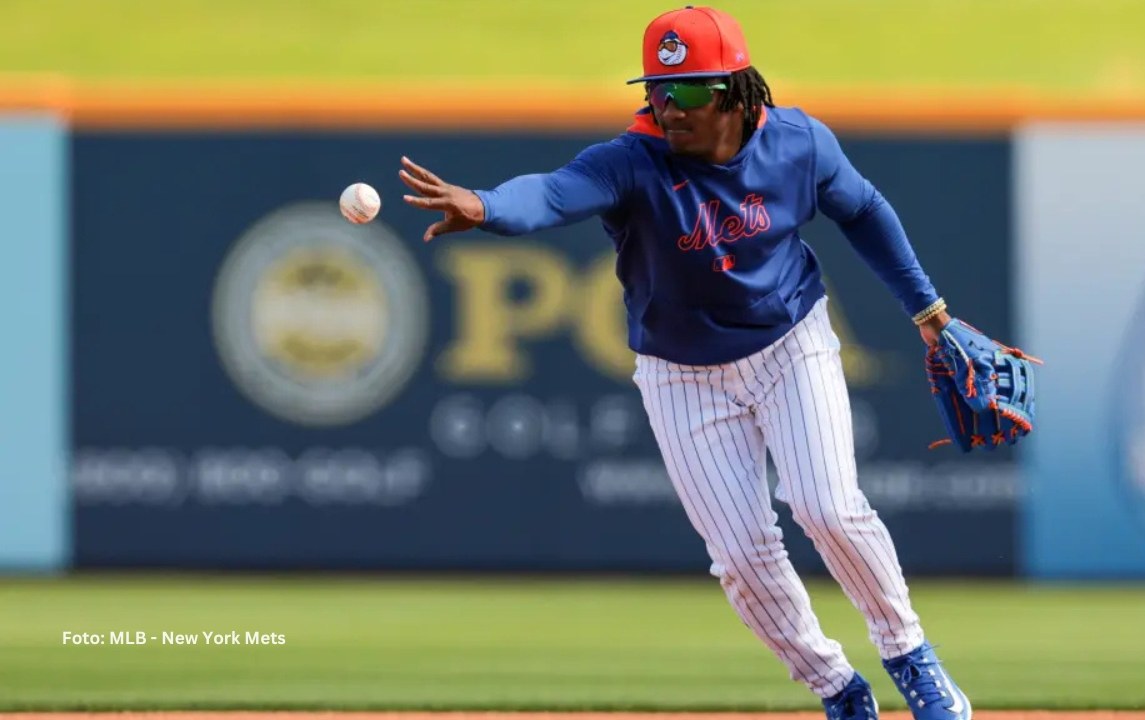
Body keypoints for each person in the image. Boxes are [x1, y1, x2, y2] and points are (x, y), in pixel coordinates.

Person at [399, 6, 973, 719]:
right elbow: (549, 195)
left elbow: (863, 210)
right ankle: (838, 689)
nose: (671, 107)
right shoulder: (632, 161)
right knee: (740, 557)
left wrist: (929, 312)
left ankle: (909, 655)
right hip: (681, 374)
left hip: (791, 344)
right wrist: (485, 206)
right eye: (658, 89)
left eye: (693, 90)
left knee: (827, 506)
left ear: (738, 90)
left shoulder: (799, 144)